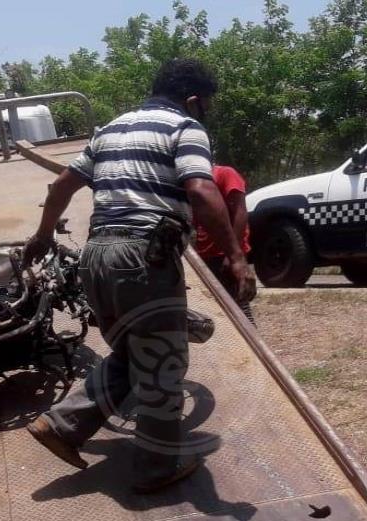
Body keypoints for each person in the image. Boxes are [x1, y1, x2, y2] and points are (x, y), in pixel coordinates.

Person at [21, 58, 256, 494]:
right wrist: (236, 257)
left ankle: (63, 425)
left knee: (135, 354)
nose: (205, 112)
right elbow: (202, 190)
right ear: (192, 100)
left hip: (96, 257)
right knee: (164, 360)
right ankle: (156, 467)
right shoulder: (184, 128)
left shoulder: (109, 129)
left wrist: (42, 236)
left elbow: (61, 187)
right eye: (206, 105)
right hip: (144, 256)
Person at [193, 164, 255, 323]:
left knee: (239, 311)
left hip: (225, 256)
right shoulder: (192, 180)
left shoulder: (225, 174)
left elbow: (240, 212)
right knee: (213, 312)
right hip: (204, 258)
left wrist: (233, 256)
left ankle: (251, 347)